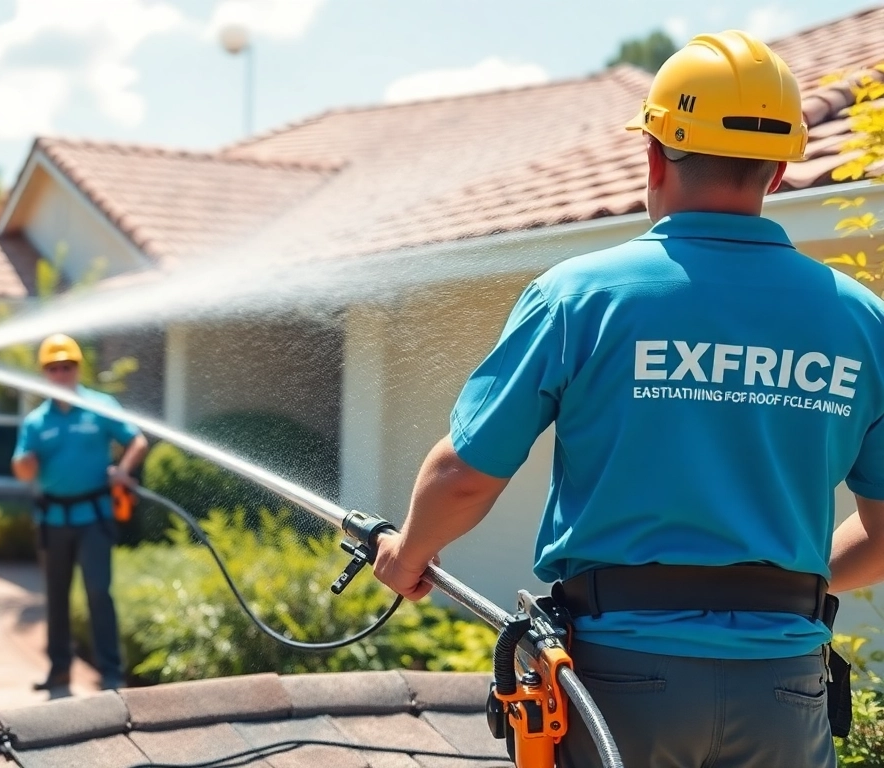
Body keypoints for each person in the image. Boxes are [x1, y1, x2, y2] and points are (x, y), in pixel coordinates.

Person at [372, 30, 884, 768]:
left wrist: (406, 552)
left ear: (653, 154)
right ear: (777, 170)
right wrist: (763, 578)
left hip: (621, 683)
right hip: (786, 690)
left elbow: (464, 475)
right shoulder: (860, 320)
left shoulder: (580, 297)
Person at [12, 334, 149, 692]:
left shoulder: (101, 406)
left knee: (98, 592)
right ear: (45, 373)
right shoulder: (36, 422)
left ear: (77, 369)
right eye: (54, 368)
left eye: (67, 367)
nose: (61, 374)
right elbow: (22, 470)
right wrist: (26, 464)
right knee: (56, 597)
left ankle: (111, 674)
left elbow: (137, 440)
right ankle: (59, 671)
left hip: (94, 517)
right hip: (52, 521)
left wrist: (124, 470)